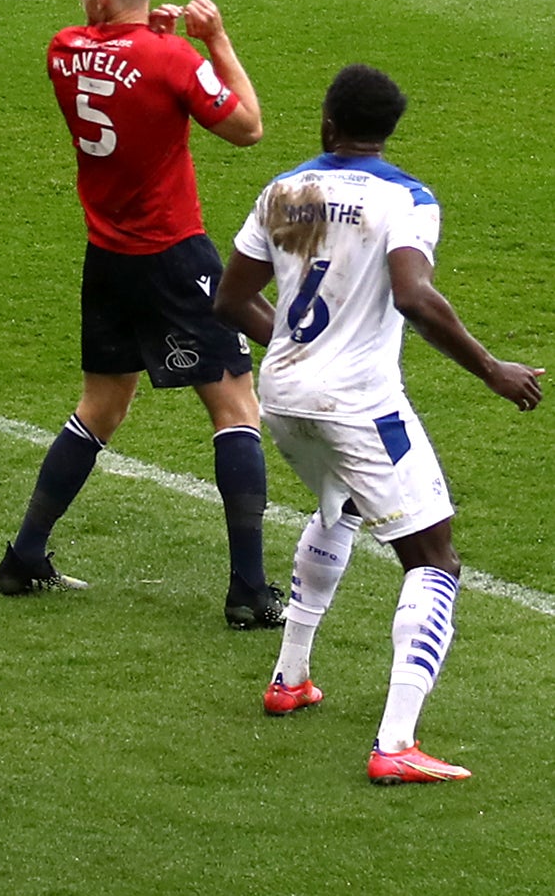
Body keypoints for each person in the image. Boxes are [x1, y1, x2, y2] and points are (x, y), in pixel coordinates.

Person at [214, 64, 540, 785]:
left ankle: (288, 676)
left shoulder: (283, 191)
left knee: (341, 505)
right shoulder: (406, 198)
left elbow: (230, 298)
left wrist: (302, 356)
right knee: (434, 557)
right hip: (359, 402)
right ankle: (394, 743)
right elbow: (413, 295)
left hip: (284, 392)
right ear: (385, 131)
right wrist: (492, 370)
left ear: (326, 123)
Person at [0, 0, 283, 628]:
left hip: (107, 256)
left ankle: (23, 553)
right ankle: (248, 588)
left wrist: (149, 40)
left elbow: (116, 66)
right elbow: (246, 127)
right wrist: (213, 40)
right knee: (236, 409)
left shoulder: (61, 50)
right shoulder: (171, 58)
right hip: (173, 257)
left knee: (100, 406)